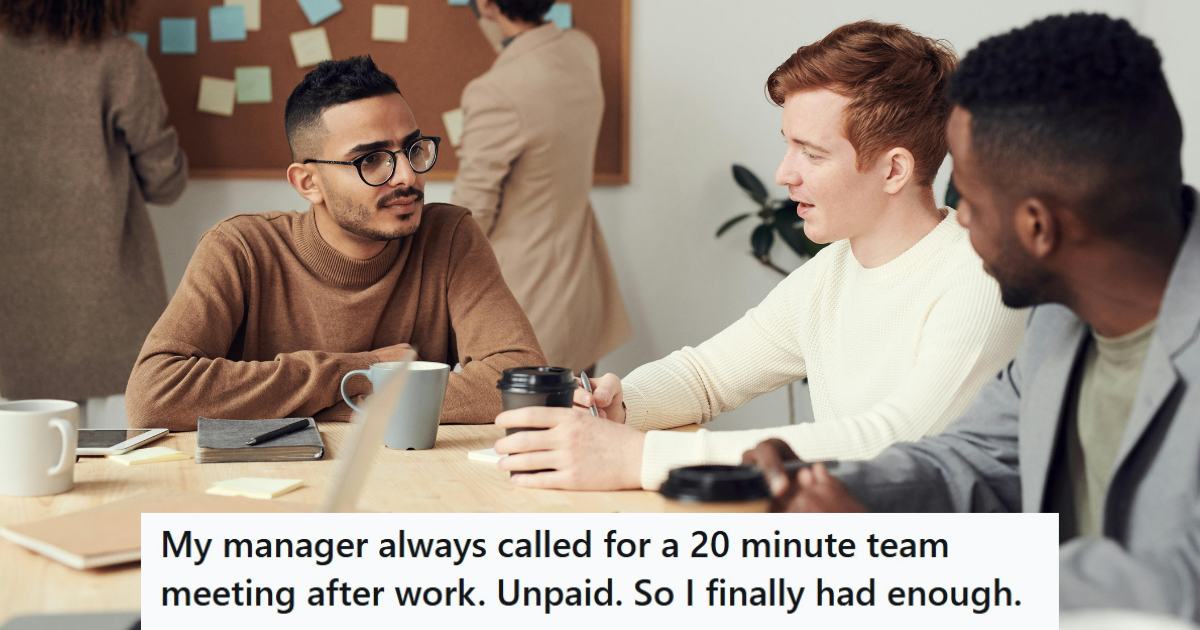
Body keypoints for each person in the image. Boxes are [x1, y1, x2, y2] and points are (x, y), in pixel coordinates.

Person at [744, 14, 1200, 622]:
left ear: (1038, 227)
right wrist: (831, 488)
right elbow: (975, 460)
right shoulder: (1061, 323)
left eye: (972, 202)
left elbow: (1181, 585)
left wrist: (919, 565)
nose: (958, 220)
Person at [493, 21, 1027, 490]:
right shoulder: (832, 272)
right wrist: (623, 403)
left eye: (812, 154)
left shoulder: (979, 280)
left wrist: (642, 458)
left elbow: (893, 445)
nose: (784, 174)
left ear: (894, 170)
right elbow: (708, 377)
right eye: (788, 145)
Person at [125, 56, 545, 430]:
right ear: (308, 183)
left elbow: (521, 379)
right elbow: (154, 395)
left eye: (412, 148)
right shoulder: (240, 248)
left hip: (409, 481)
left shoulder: (449, 237)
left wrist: (320, 403)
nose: (407, 176)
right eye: (371, 159)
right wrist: (366, 369)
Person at [0, 0, 187, 417]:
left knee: (18, 459)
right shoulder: (118, 60)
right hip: (104, 296)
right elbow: (165, 183)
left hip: (10, 297)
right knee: (106, 452)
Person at [451, 0, 632, 375]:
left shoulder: (494, 91)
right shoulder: (581, 49)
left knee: (519, 429)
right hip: (582, 290)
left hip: (527, 301)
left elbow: (473, 213)